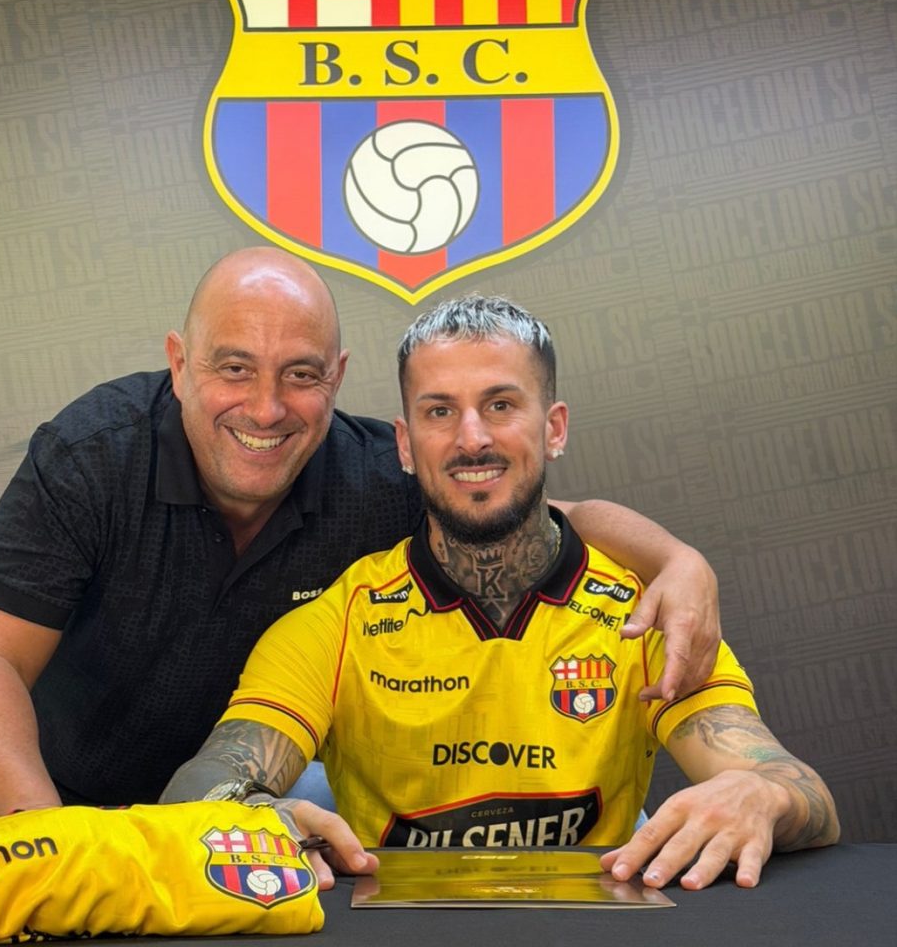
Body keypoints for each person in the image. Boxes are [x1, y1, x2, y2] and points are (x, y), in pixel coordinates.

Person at [0, 248, 721, 821]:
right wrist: (55, 850)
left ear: (336, 378)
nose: (266, 407)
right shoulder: (93, 456)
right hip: (40, 806)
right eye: (233, 368)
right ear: (178, 364)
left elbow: (542, 512)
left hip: (231, 829)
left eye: (300, 375)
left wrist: (677, 561)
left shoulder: (376, 478)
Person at [160, 293, 839, 893]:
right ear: (404, 445)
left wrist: (759, 794)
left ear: (554, 428)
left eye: (501, 405)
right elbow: (205, 781)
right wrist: (250, 811)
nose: (472, 438)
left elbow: (802, 794)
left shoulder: (646, 613)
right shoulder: (336, 620)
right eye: (439, 411)